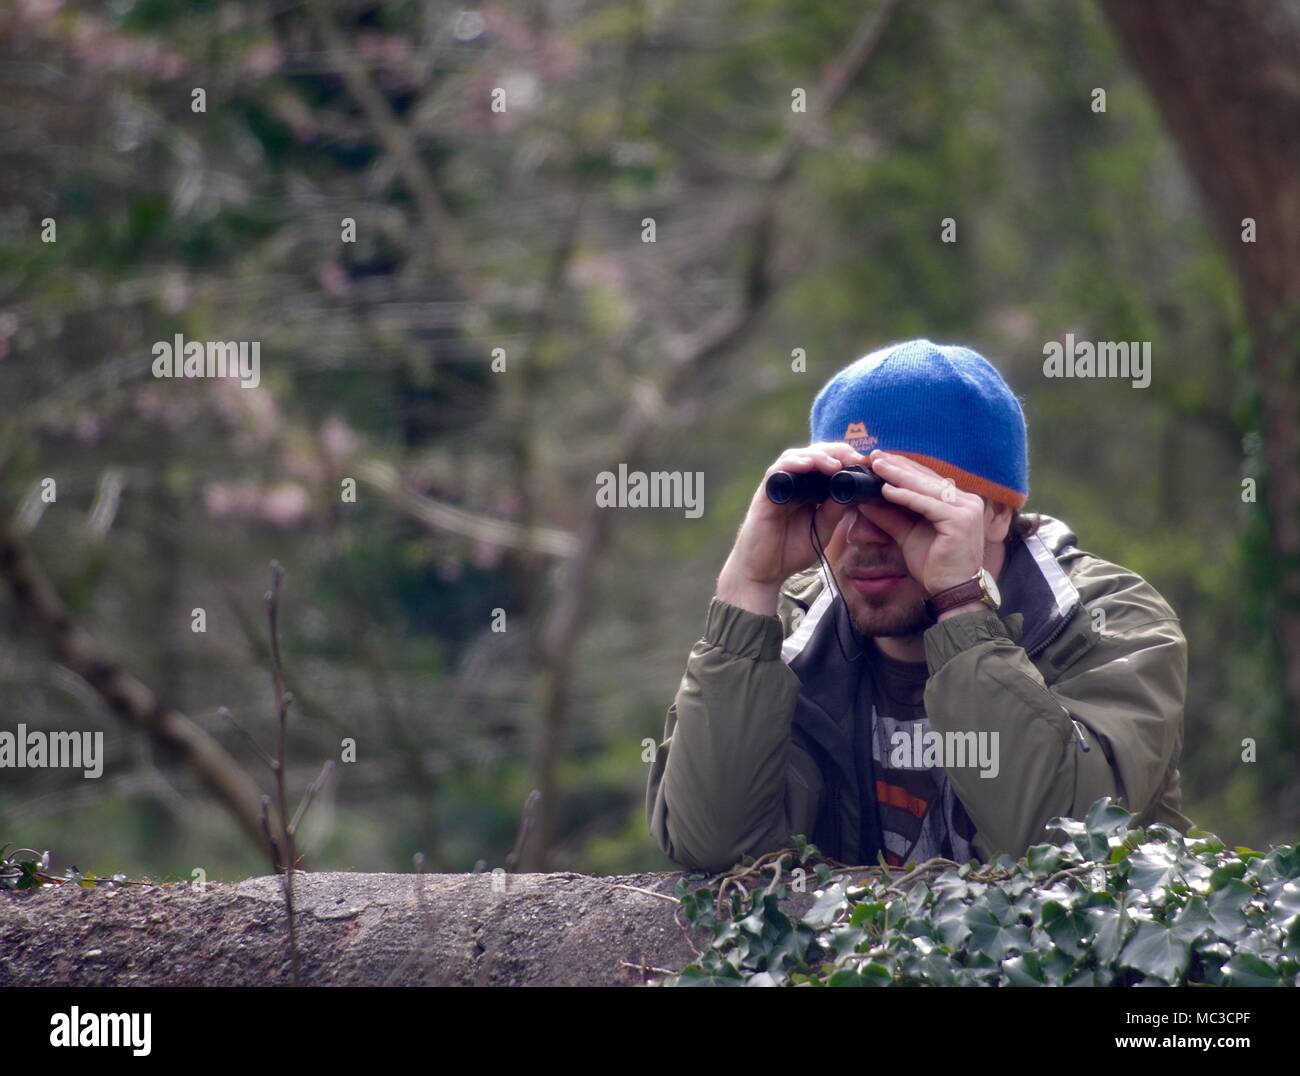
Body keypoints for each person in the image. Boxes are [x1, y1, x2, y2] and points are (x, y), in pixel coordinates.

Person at [646, 338, 1191, 872]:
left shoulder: (1106, 624)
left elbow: (1061, 847)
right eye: (842, 496)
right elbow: (711, 843)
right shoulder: (791, 636)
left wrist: (960, 604)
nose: (865, 534)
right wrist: (748, 584)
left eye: (899, 500)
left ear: (998, 513)